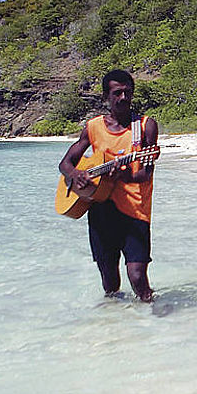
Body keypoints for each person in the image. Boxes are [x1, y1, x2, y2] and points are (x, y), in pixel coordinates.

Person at [58, 69, 160, 302]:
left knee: (137, 277)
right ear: (106, 96)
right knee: (109, 279)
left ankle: (154, 317)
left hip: (135, 210)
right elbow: (65, 163)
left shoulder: (145, 127)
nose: (123, 98)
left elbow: (145, 174)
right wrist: (76, 175)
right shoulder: (93, 127)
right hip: (100, 208)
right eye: (117, 93)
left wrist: (121, 177)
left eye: (127, 92)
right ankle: (113, 326)